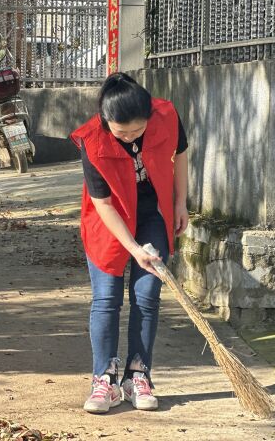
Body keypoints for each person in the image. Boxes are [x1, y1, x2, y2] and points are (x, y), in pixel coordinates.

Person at [70, 72, 188, 413]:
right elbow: (103, 204)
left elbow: (180, 154)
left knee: (147, 293)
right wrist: (133, 249)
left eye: (137, 131)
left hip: (153, 213)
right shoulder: (91, 140)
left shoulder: (165, 114)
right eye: (121, 132)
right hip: (110, 219)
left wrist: (180, 203)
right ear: (106, 120)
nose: (130, 137)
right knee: (107, 298)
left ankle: (139, 374)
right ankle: (104, 379)